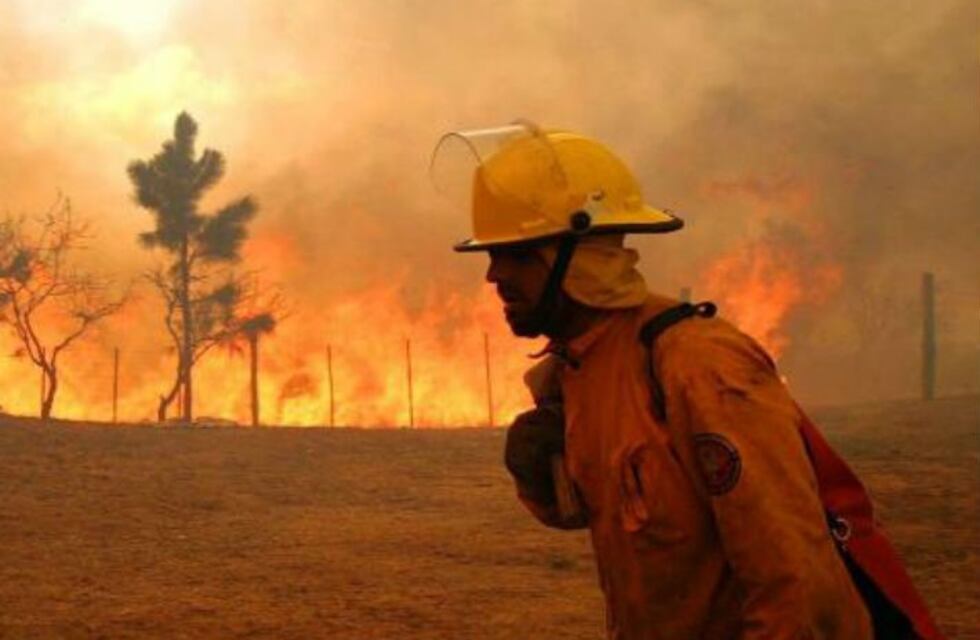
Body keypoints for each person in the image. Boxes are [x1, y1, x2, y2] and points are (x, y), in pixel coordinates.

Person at [440, 123, 944, 639]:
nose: (493, 275)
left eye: (518, 254)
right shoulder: (573, 371)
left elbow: (793, 580)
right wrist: (541, 479)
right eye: (492, 254)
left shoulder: (698, 365)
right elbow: (625, 522)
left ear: (582, 252)